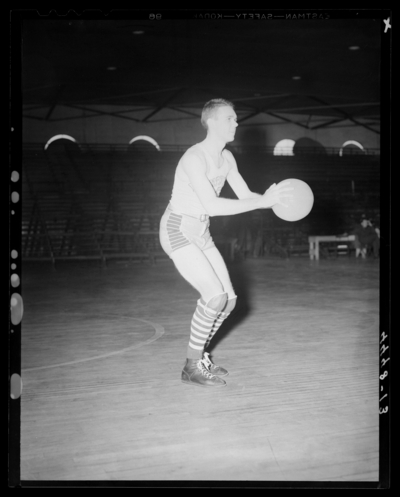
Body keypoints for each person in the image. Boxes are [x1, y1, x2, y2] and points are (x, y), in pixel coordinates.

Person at [159, 99, 293, 388]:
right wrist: (261, 202)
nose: (237, 123)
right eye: (230, 118)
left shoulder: (228, 158)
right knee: (214, 297)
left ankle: (200, 356)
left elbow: (245, 194)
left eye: (236, 118)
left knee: (229, 301)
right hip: (178, 228)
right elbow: (212, 204)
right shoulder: (194, 158)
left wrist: (272, 201)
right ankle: (191, 365)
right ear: (212, 122)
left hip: (201, 231)